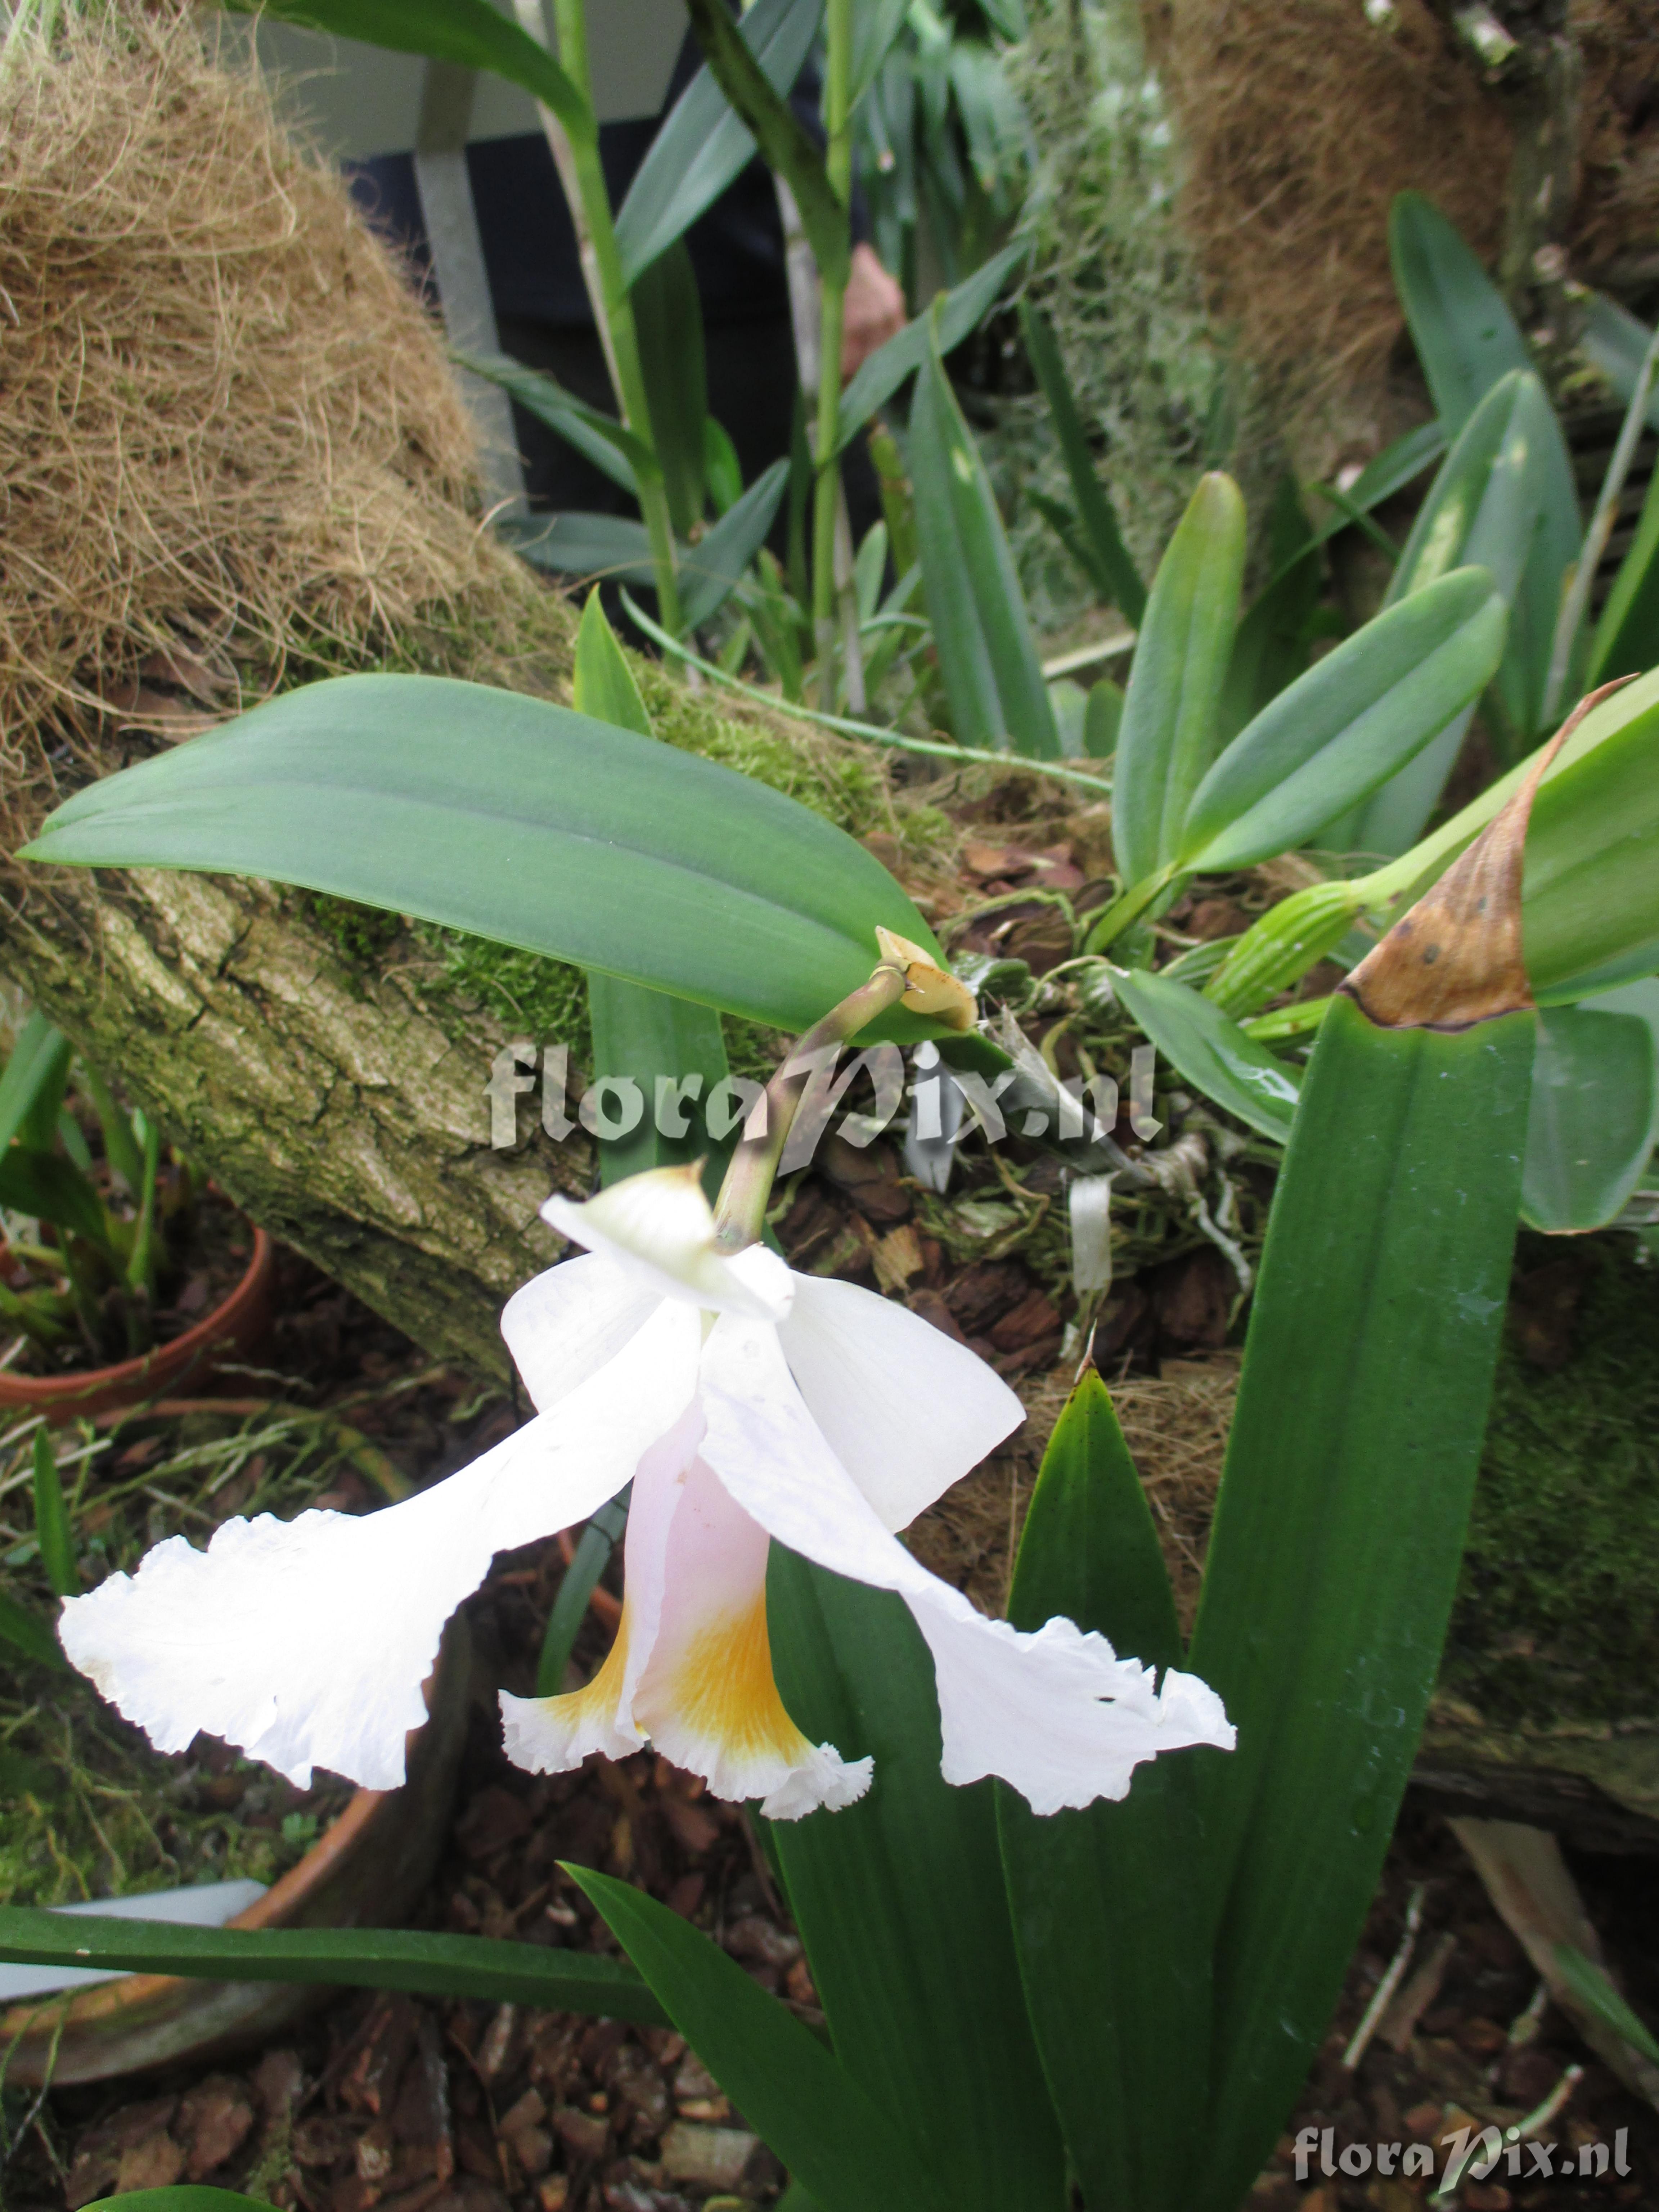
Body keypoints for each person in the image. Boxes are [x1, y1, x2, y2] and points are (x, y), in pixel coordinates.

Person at [348, 24, 905, 532]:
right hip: (484, 283)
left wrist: (836, 235)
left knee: (793, 559)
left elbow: (772, 22)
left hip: (702, 260)